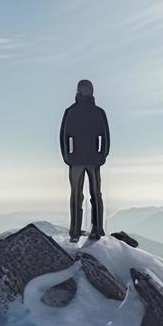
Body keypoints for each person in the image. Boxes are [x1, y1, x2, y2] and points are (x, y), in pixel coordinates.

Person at [60, 79, 110, 242]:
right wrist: (67, 156)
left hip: (93, 160)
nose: (87, 91)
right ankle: (75, 231)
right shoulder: (70, 111)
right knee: (76, 195)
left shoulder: (99, 112)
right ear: (79, 91)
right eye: (84, 88)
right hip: (76, 160)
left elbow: (105, 136)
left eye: (89, 88)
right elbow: (64, 137)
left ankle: (98, 229)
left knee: (96, 194)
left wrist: (103, 155)